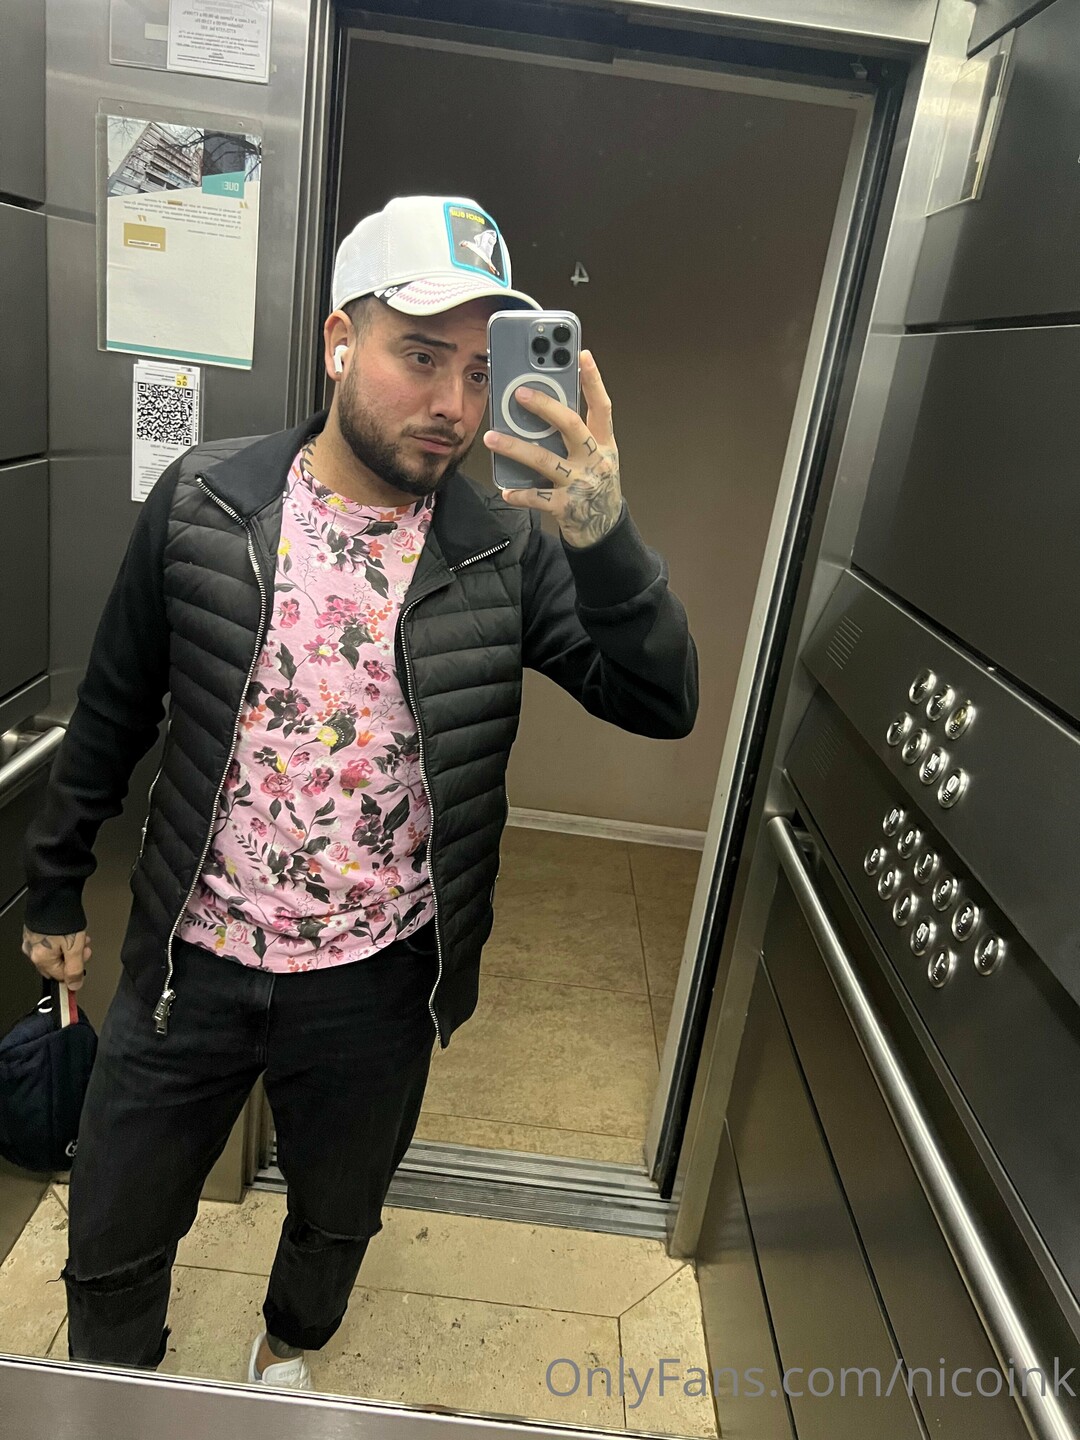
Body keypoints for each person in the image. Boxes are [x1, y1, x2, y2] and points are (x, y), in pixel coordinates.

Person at [20, 195, 698, 1389]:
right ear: (341, 340)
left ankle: (284, 1358)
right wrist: (56, 885)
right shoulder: (207, 502)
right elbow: (116, 707)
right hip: (191, 966)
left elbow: (661, 701)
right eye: (420, 356)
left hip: (379, 983)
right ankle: (117, 1397)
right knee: (112, 1233)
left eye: (479, 371)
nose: (453, 405)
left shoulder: (506, 549)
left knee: (337, 1222)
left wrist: (602, 534)